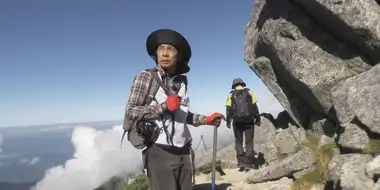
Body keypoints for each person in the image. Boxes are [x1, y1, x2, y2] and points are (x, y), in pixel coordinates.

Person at [124, 28, 225, 190]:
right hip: (159, 151)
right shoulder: (146, 76)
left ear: (179, 56)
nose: (164, 54)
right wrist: (163, 107)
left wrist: (206, 120)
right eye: (161, 49)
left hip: (183, 151)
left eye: (170, 49)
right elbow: (131, 110)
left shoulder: (181, 82)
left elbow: (181, 115)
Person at [225, 78, 261, 171]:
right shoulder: (249, 92)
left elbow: (228, 108)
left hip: (237, 121)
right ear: (242, 84)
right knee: (249, 141)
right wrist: (258, 118)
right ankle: (249, 163)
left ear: (234, 85)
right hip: (249, 120)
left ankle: (241, 162)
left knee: (238, 141)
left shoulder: (231, 94)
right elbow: (254, 105)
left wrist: (228, 120)